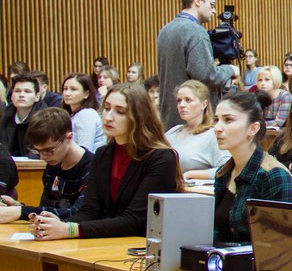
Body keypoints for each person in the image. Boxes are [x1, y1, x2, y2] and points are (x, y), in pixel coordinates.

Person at [29, 84, 181, 240]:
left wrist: (70, 229)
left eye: (120, 111)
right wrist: (56, 226)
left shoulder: (161, 159)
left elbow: (135, 220)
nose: (108, 117)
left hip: (142, 245)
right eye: (107, 108)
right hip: (109, 241)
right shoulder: (103, 154)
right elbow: (90, 211)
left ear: (139, 117)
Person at [210, 92, 292, 243]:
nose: (217, 128)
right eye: (216, 120)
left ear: (253, 128)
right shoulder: (223, 173)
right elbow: (216, 231)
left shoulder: (275, 176)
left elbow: (281, 245)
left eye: (228, 120)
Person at [156, 0, 239, 130]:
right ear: (198, 1)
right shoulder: (196, 31)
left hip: (169, 115)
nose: (214, 11)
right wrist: (230, 70)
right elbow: (206, 74)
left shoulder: (165, 30)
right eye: (212, 4)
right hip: (192, 120)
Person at [0, 108, 94, 223]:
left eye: (48, 150)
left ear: (68, 137)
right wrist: (19, 207)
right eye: (37, 151)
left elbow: (79, 213)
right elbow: (47, 210)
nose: (43, 157)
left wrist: (21, 211)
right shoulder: (53, 163)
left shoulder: (92, 167)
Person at [165, 80, 227, 180]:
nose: (181, 105)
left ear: (204, 104)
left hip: (191, 192)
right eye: (179, 100)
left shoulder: (213, 135)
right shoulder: (173, 131)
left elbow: (228, 170)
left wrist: (191, 174)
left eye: (188, 100)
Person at [59, 73, 106, 152]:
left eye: (73, 89)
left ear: (86, 94)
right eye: (65, 89)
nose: (67, 93)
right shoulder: (74, 114)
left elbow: (85, 150)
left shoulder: (86, 114)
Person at [0, 73, 39, 157]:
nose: (21, 95)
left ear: (37, 97)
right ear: (11, 96)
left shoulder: (45, 119)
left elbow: (40, 152)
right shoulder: (3, 118)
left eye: (27, 91)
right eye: (17, 91)